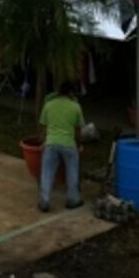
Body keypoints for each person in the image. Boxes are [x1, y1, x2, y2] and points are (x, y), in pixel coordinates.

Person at [37, 80, 85, 212]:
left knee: (47, 173)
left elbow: (43, 126)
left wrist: (42, 142)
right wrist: (80, 144)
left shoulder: (49, 104)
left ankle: (44, 201)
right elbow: (78, 131)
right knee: (72, 171)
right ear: (71, 92)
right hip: (69, 145)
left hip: (51, 143)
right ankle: (73, 200)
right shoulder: (75, 107)